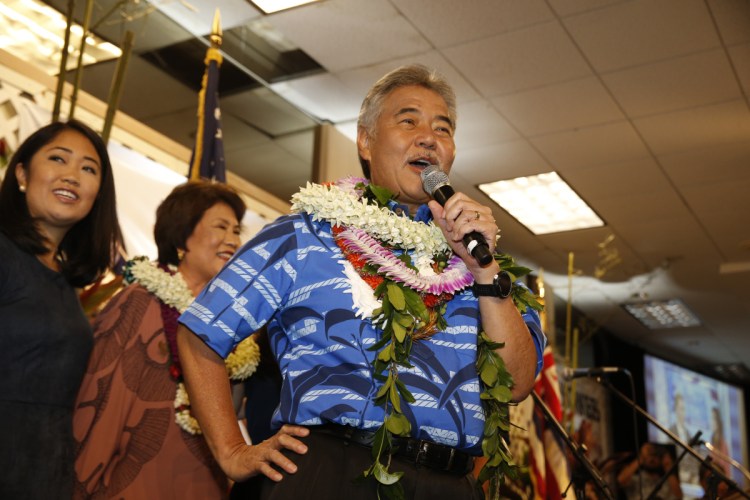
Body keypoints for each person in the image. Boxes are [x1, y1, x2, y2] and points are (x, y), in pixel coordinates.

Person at [177, 64, 546, 499]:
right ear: (366, 141)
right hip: (334, 474)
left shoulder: (479, 260)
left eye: (442, 128)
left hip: (451, 484)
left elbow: (517, 384)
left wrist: (484, 273)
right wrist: (231, 450)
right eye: (408, 120)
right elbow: (200, 333)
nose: (428, 136)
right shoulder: (305, 233)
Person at [73, 181, 260, 499]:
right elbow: (101, 402)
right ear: (183, 235)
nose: (233, 240)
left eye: (236, 230)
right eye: (221, 227)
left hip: (203, 479)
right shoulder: (141, 300)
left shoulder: (236, 324)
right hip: (131, 478)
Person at [0, 120, 123, 499]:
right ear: (22, 173)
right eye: (58, 159)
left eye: (88, 169)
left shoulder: (66, 282)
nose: (73, 176)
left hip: (45, 470)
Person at [617, 442, 683, 499]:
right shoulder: (637, 479)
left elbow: (679, 496)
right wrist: (642, 457)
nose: (653, 459)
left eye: (656, 455)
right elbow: (621, 480)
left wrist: (668, 467)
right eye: (650, 455)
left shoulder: (667, 484)